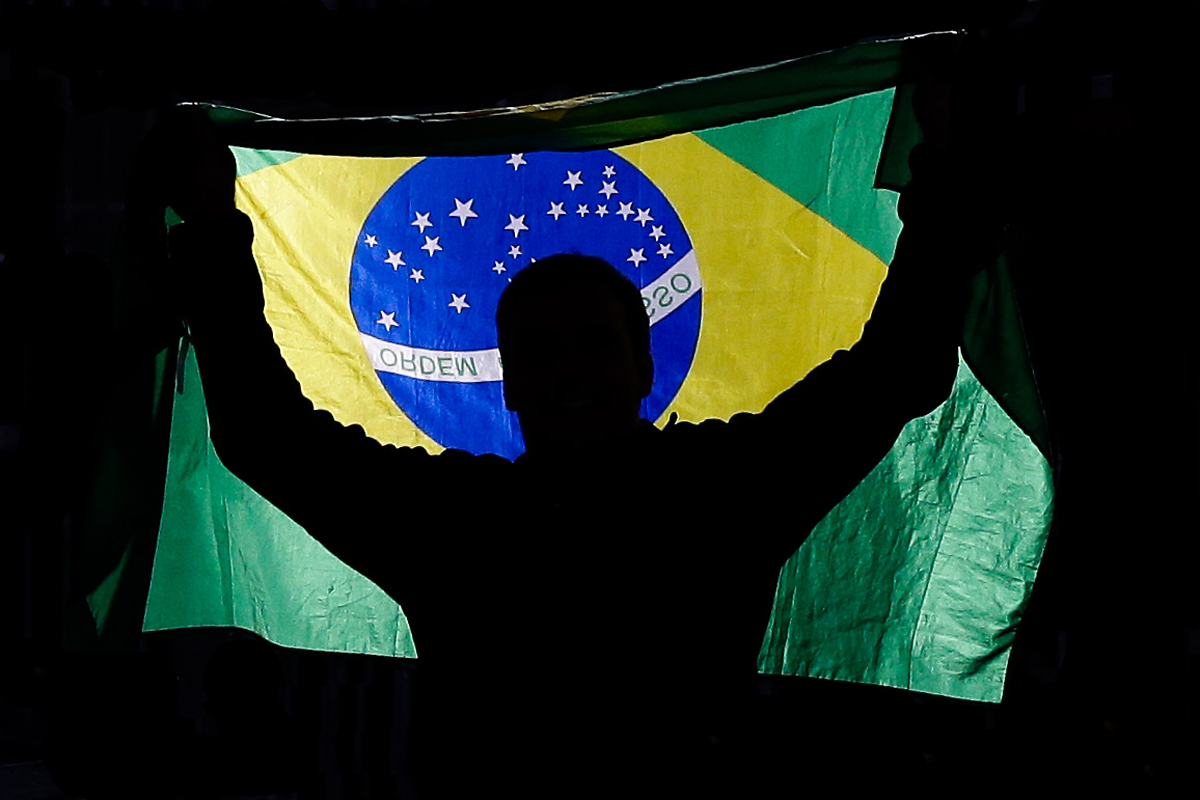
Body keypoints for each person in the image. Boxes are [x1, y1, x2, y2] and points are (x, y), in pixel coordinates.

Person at [167, 112, 963, 798]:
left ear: (644, 366)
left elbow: (898, 368)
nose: (570, 369)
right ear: (508, 385)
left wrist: (956, 158)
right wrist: (207, 222)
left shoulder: (724, 490)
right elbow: (266, 438)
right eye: (541, 352)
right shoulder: (452, 522)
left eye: (592, 343)